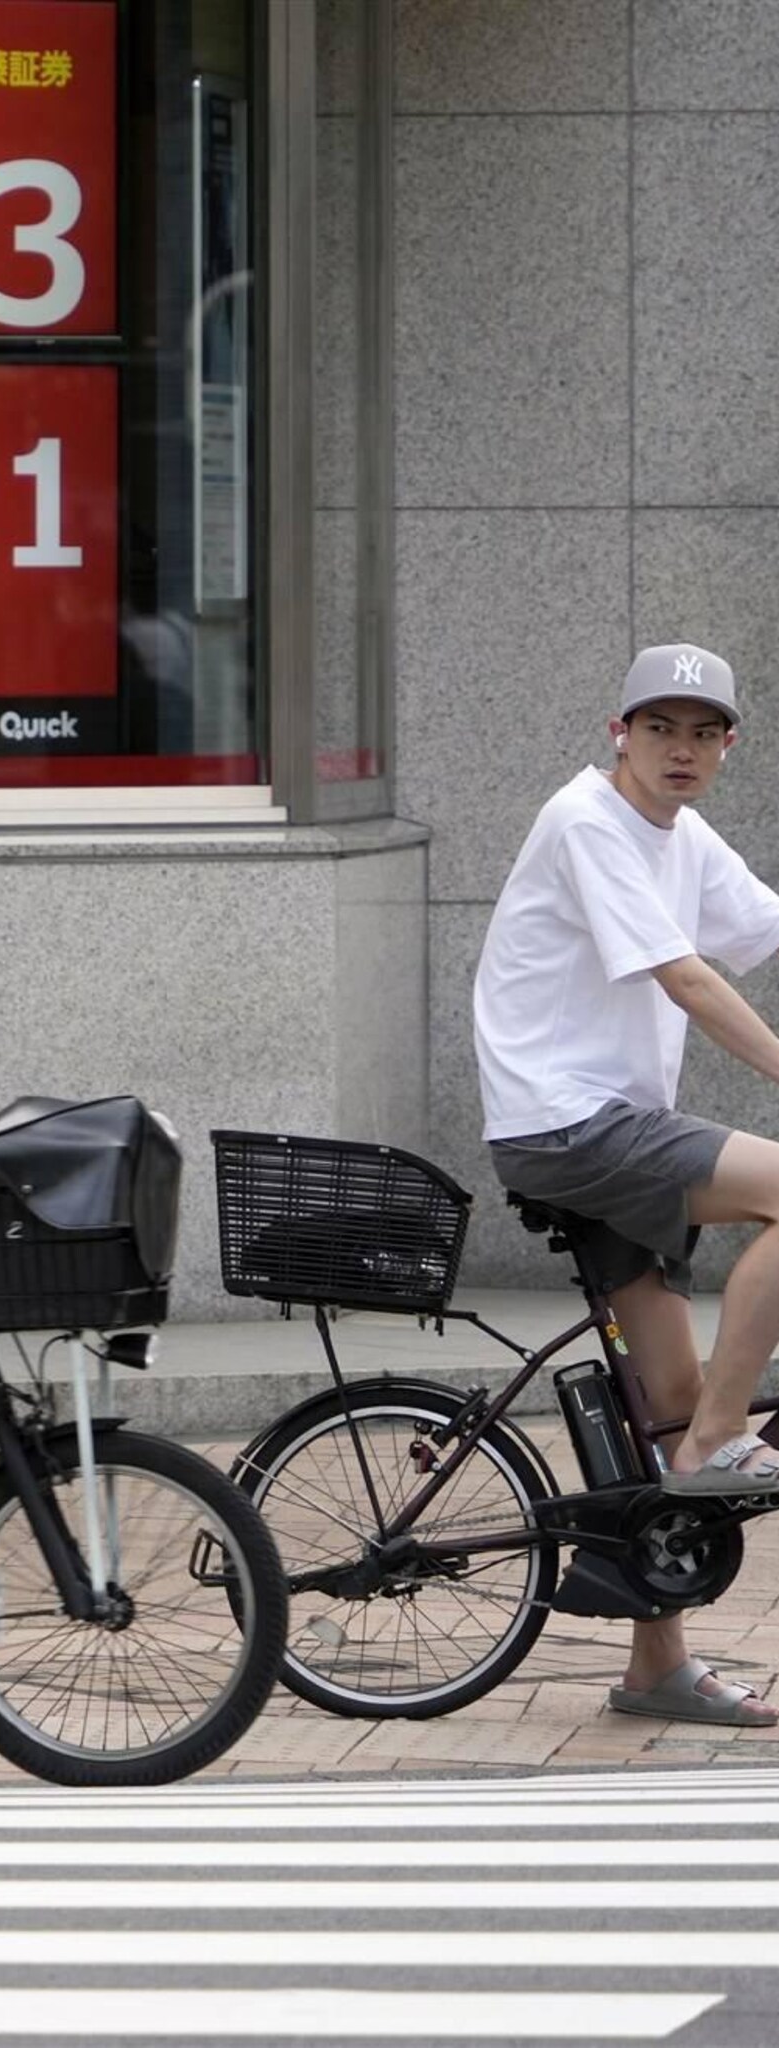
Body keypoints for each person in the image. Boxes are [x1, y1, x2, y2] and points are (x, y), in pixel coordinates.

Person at [474, 642, 779, 1727]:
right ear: (618, 732)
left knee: (662, 1398)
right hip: (567, 1124)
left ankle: (655, 1667)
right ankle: (721, 1436)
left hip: (606, 1126)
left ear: (726, 746)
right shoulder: (585, 821)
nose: (679, 748)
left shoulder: (679, 836)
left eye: (701, 731)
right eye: (658, 727)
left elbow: (762, 926)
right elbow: (688, 978)